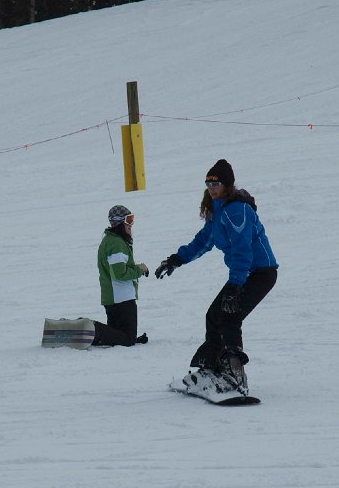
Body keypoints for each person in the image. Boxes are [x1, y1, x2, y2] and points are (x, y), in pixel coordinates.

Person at [154, 159, 277, 386]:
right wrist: (177, 259)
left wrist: (235, 284)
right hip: (245, 273)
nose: (211, 188)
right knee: (213, 315)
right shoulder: (218, 211)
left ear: (227, 185)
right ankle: (212, 369)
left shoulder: (237, 210)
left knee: (230, 315)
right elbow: (203, 241)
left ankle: (234, 375)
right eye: (208, 184)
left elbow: (242, 250)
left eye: (216, 184)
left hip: (261, 272)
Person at [92, 204, 149, 347]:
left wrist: (137, 268)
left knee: (117, 335)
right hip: (121, 299)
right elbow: (120, 273)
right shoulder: (116, 244)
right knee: (127, 339)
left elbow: (117, 269)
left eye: (132, 219)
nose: (131, 224)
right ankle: (92, 328)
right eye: (128, 220)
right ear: (119, 223)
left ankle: (89, 331)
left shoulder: (111, 240)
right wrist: (139, 270)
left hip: (115, 298)